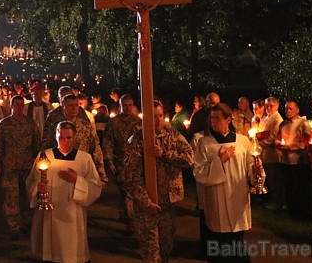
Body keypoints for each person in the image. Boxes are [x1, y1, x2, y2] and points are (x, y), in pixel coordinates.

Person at [122, 100, 194, 263]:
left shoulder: (173, 134)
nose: (158, 120)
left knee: (166, 246)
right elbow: (130, 176)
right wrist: (146, 201)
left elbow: (189, 158)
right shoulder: (136, 140)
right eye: (154, 117)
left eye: (160, 116)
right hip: (146, 205)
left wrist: (165, 154)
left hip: (168, 202)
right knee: (151, 251)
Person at [26, 121, 102, 263]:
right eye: (61, 137)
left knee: (73, 246)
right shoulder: (45, 156)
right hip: (50, 212)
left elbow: (95, 187)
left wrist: (76, 180)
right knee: (51, 246)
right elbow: (32, 181)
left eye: (69, 138)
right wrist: (38, 190)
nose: (65, 142)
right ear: (55, 136)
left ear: (74, 138)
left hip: (73, 212)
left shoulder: (84, 159)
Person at [193, 104, 254, 263]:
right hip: (217, 197)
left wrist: (257, 172)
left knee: (237, 240)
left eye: (217, 118)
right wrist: (219, 162)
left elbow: (250, 166)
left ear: (228, 120)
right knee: (217, 242)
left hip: (237, 196)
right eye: (211, 118)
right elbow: (199, 172)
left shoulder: (242, 141)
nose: (213, 121)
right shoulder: (204, 143)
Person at [0, 95, 41, 239]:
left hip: (27, 167)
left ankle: (26, 223)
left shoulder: (30, 123)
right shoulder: (4, 124)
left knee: (27, 196)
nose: (19, 108)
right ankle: (14, 226)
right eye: (16, 105)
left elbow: (36, 143)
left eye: (21, 105)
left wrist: (38, 161)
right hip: (10, 167)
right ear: (11, 106)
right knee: (11, 197)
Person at [102, 94, 140, 224]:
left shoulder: (138, 122)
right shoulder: (113, 123)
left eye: (130, 105)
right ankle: (128, 217)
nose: (128, 108)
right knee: (124, 190)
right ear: (120, 106)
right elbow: (108, 141)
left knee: (134, 190)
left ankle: (132, 215)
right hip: (120, 161)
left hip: (136, 162)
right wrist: (109, 160)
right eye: (125, 105)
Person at [276, 100, 311, 218]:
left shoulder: (303, 123)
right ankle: (291, 210)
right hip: (286, 160)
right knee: (289, 186)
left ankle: (302, 212)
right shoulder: (283, 124)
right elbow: (278, 137)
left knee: (300, 187)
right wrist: (278, 144)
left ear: (297, 110)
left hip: (299, 161)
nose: (288, 111)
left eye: (291, 108)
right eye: (286, 108)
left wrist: (290, 147)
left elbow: (305, 142)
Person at [257, 97, 283, 210]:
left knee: (275, 178)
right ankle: (272, 198)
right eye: (266, 105)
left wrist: (259, 142)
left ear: (276, 107)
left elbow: (272, 137)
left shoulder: (276, 119)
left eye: (271, 106)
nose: (268, 108)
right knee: (270, 177)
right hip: (266, 153)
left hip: (273, 153)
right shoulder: (267, 117)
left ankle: (278, 201)